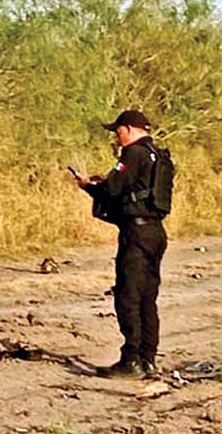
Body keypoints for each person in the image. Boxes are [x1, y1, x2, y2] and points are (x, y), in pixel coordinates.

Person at [74, 109, 169, 379]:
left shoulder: (133, 154)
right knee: (148, 298)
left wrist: (88, 185)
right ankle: (148, 358)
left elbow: (113, 188)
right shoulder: (157, 155)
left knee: (128, 296)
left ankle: (132, 360)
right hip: (155, 232)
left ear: (128, 128)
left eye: (118, 131)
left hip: (136, 234)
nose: (117, 137)